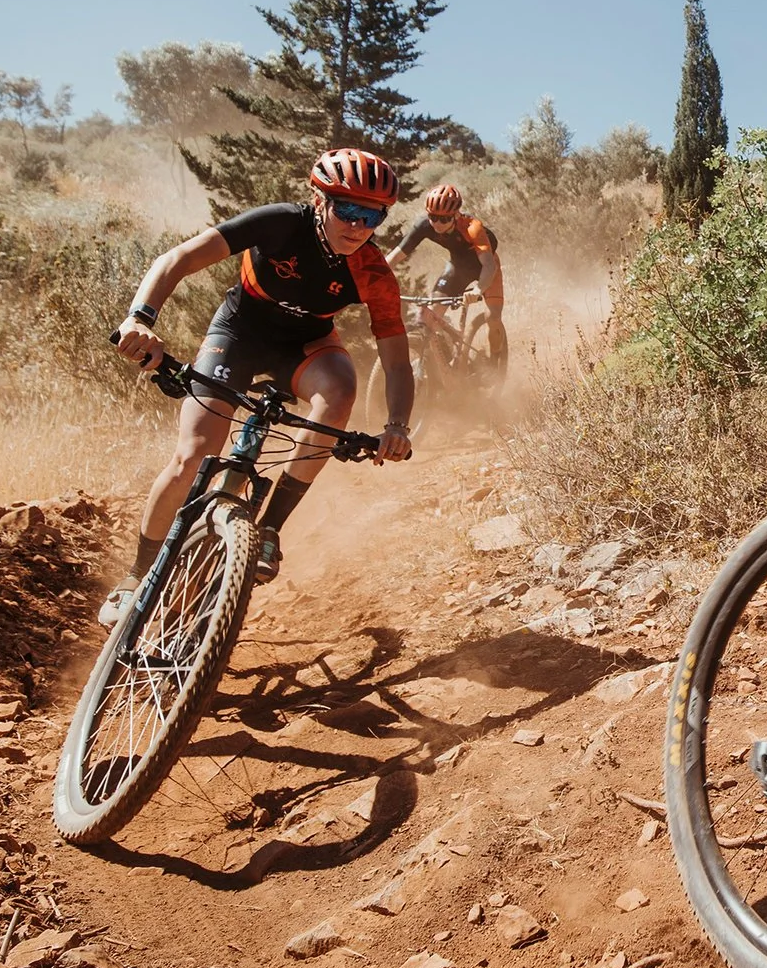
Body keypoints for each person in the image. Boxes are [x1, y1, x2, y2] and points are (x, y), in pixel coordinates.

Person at [108, 149, 417, 617]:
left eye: (372, 215)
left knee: (339, 394)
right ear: (320, 199)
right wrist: (140, 319)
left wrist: (397, 425)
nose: (357, 225)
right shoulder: (280, 224)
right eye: (347, 210)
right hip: (239, 334)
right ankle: (138, 574)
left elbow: (396, 362)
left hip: (307, 346)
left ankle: (269, 528)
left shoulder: (373, 271)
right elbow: (177, 259)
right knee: (193, 456)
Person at [388, 182, 507, 372]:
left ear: (456, 215)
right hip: (458, 267)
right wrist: (371, 279)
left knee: (493, 318)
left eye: (444, 219)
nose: (437, 223)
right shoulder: (424, 226)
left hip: (486, 268)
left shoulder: (472, 228)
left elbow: (488, 265)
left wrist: (478, 290)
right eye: (433, 217)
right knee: (429, 315)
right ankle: (445, 364)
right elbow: (395, 257)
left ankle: (495, 362)